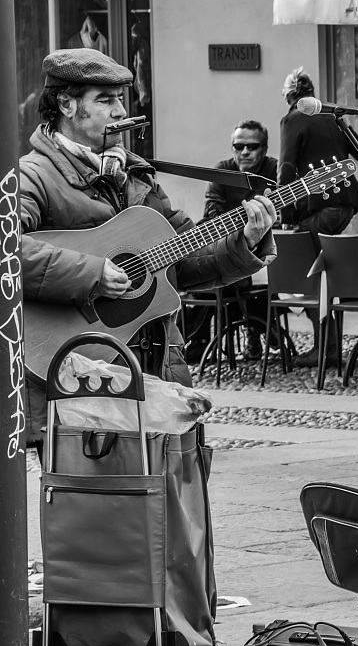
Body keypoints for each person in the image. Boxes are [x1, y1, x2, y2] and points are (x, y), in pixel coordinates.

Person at [20, 48, 277, 445]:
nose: (120, 110)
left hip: (156, 366)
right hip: (81, 375)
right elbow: (7, 251)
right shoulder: (33, 176)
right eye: (105, 100)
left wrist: (245, 242)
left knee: (166, 501)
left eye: (121, 98)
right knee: (97, 502)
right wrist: (92, 274)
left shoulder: (137, 177)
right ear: (66, 104)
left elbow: (185, 260)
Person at [279, 66, 358, 366]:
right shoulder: (331, 117)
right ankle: (328, 347)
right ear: (311, 93)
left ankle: (325, 350)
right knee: (321, 269)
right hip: (345, 205)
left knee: (307, 269)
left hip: (319, 205)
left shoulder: (292, 119)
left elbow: (286, 168)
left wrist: (286, 215)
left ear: (289, 96)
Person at [190, 119, 280, 362]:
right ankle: (258, 328)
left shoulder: (273, 170)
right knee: (214, 273)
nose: (245, 152)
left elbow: (282, 218)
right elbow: (212, 217)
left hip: (262, 259)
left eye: (252, 146)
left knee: (255, 267)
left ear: (264, 148)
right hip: (225, 254)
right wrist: (247, 227)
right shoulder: (223, 171)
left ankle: (254, 328)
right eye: (238, 146)